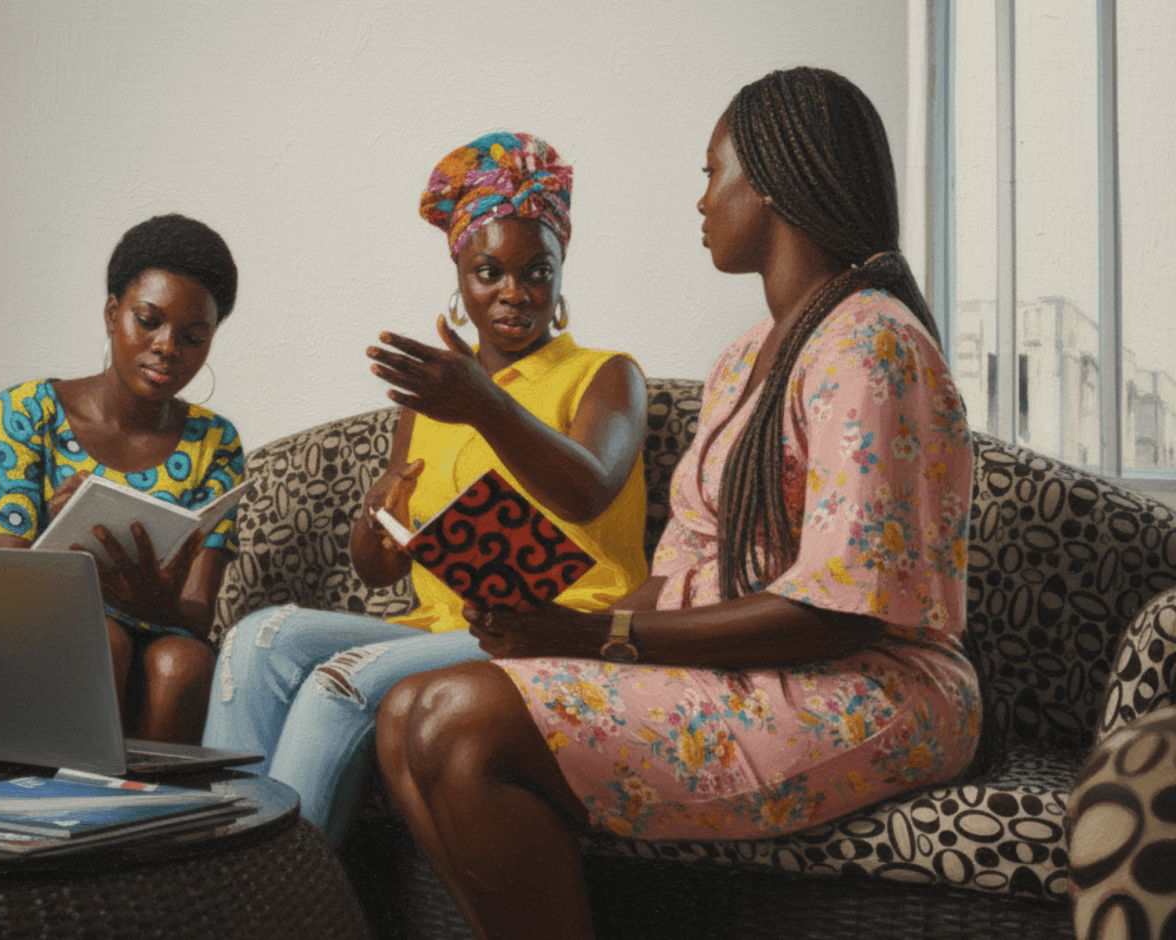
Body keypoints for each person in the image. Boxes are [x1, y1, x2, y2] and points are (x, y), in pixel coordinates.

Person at [376, 68, 981, 940]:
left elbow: (840, 616)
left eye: (711, 172)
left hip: (866, 687)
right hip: (756, 664)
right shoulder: (744, 361)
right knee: (409, 713)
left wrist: (599, 639)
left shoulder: (872, 344)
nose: (701, 201)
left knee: (452, 719)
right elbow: (686, 575)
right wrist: (542, 624)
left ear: (768, 182)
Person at [202, 132, 651, 845]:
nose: (514, 293)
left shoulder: (606, 375)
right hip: (443, 630)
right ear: (460, 276)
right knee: (259, 640)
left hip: (558, 623)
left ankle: (276, 897)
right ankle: (227, 875)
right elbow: (380, 567)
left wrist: (483, 401)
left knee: (341, 680)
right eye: (489, 272)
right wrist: (373, 528)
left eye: (538, 270)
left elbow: (588, 491)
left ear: (563, 271)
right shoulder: (432, 397)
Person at [0, 213, 243, 745]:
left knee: (182, 662)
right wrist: (57, 537)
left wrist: (150, 598)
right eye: (148, 320)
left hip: (160, 629)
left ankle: (153, 819)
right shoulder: (25, 413)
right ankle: (73, 809)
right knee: (102, 639)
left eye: (192, 336)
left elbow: (197, 616)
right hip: (38, 625)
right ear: (113, 312)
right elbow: (1, 588)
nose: (167, 346)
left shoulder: (216, 443)